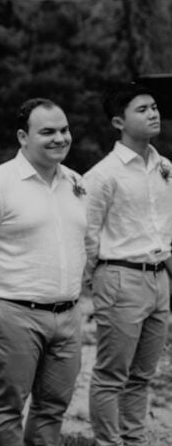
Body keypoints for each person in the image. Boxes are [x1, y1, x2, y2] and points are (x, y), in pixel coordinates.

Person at [0, 98, 87, 445]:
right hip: (14, 314)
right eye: (47, 132)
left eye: (64, 130)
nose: (60, 138)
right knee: (9, 405)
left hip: (69, 315)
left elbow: (84, 241)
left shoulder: (77, 182)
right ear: (23, 136)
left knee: (53, 406)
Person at [84, 85, 171, 446]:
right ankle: (109, 441)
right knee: (111, 374)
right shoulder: (103, 175)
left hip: (159, 278)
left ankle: (134, 439)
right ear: (119, 122)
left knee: (143, 374)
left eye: (155, 107)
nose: (153, 114)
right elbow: (87, 233)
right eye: (142, 109)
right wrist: (96, 281)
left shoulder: (165, 167)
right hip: (120, 276)